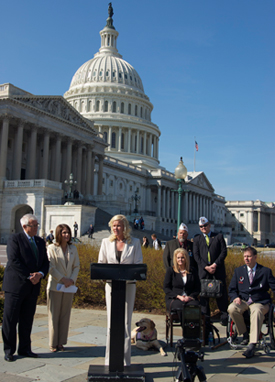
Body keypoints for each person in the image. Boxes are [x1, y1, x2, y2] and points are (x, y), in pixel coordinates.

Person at [2, 214, 49, 362]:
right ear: (24, 227)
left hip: (32, 287)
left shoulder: (40, 242)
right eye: (33, 225)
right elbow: (14, 260)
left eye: (37, 225)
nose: (36, 228)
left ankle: (25, 348)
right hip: (16, 286)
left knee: (27, 319)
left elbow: (45, 262)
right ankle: (9, 350)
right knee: (10, 319)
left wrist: (40, 274)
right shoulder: (15, 239)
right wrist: (31, 276)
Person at [98, 214, 143, 367]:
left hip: (128, 287)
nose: (116, 228)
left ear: (125, 227)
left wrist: (126, 276)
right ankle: (109, 360)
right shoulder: (105, 242)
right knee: (111, 323)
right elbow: (101, 264)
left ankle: (125, 360)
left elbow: (138, 265)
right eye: (114, 226)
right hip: (111, 287)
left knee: (125, 323)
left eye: (119, 225)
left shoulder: (135, 243)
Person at [228, 246, 275, 358]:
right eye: (245, 257)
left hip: (260, 302)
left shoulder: (265, 271)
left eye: (249, 256)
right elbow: (232, 289)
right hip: (243, 300)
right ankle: (244, 333)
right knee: (231, 308)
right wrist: (235, 297)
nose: (246, 259)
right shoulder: (239, 271)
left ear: (255, 257)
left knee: (257, 311)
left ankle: (252, 344)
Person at [46, 224, 80, 352]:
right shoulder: (51, 248)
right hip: (56, 285)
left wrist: (71, 280)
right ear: (58, 234)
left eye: (68, 233)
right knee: (54, 315)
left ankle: (61, 342)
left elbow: (76, 266)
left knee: (65, 314)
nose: (66, 235)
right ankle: (52, 342)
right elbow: (51, 267)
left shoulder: (73, 248)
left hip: (69, 286)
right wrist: (63, 279)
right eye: (63, 233)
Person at [193, 216, 228, 326]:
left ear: (209, 225)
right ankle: (206, 317)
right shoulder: (197, 239)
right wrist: (205, 267)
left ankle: (224, 316)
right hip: (204, 272)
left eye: (205, 225)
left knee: (221, 294)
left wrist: (214, 264)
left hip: (217, 270)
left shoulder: (218, 237)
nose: (203, 228)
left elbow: (223, 252)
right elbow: (196, 255)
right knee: (204, 296)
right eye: (201, 226)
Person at [163, 248, 200, 324]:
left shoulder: (193, 271)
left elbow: (197, 287)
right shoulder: (171, 271)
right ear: (175, 259)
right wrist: (178, 296)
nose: (180, 260)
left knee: (194, 307)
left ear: (186, 258)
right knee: (181, 307)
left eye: (182, 257)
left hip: (189, 298)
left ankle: (194, 331)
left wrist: (190, 297)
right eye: (178, 258)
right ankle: (186, 330)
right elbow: (166, 288)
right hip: (175, 298)